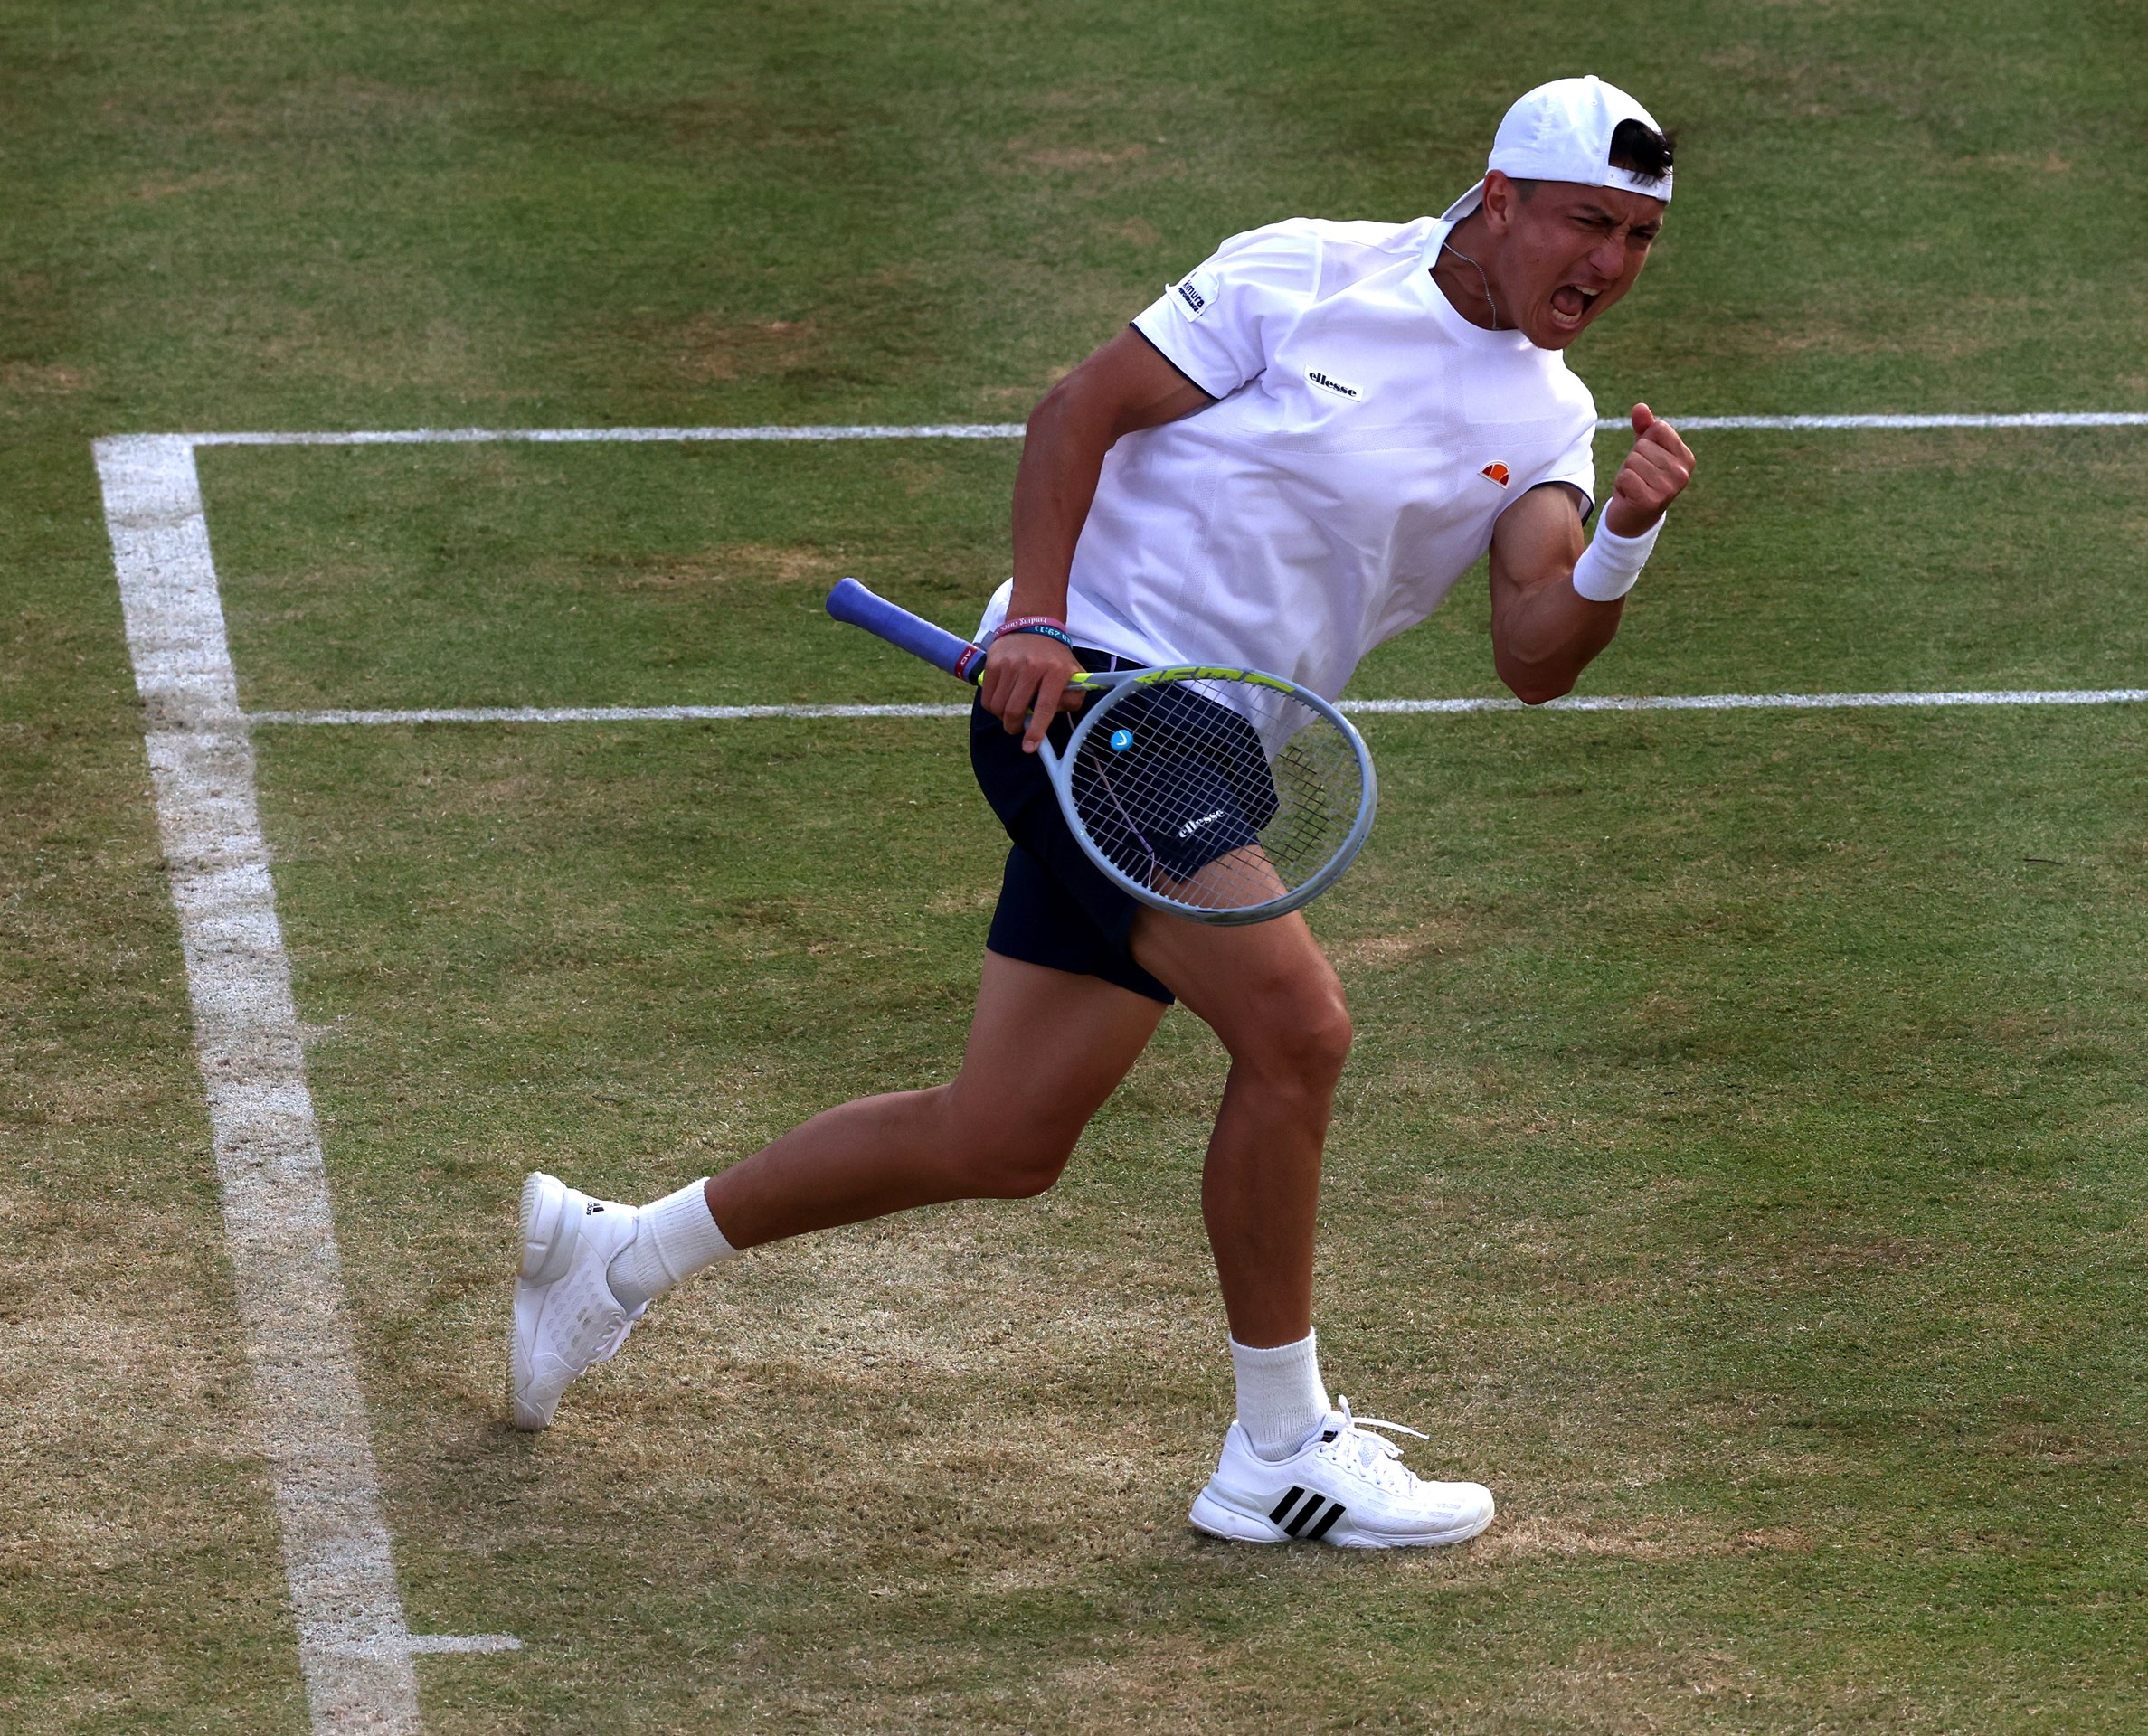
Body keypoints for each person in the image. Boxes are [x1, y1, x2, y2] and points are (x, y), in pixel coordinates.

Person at [508, 74, 1698, 1550]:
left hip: (1211, 747)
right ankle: (1277, 1451)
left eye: (1640, 239)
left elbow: (1536, 651)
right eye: (1589, 222)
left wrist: (1622, 543)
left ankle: (613, 1259)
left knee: (1000, 1137)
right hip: (1097, 701)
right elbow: (1082, 410)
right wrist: (1043, 621)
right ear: (1502, 199)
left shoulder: (1551, 415)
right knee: (1300, 1030)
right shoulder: (1305, 271)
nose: (1610, 265)